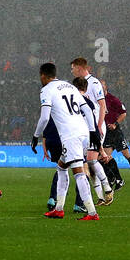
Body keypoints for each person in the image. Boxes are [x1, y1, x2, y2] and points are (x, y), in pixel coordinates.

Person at [34, 63, 99, 220]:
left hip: (71, 136)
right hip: (83, 133)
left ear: (43, 75)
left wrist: (36, 135)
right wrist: (93, 131)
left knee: (78, 173)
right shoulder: (70, 87)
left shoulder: (46, 90)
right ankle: (59, 208)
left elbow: (44, 117)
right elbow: (88, 110)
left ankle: (92, 212)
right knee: (62, 167)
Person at [72, 75, 112, 206]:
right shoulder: (79, 101)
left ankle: (107, 187)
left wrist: (99, 129)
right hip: (83, 133)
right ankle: (100, 197)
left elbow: (99, 111)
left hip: (92, 131)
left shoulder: (87, 102)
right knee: (88, 164)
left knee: (91, 160)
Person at [100, 90, 130, 185]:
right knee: (105, 158)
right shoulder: (98, 100)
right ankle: (113, 179)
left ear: (105, 88)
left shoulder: (113, 99)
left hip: (116, 133)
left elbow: (123, 113)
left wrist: (115, 124)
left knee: (126, 155)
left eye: (102, 88)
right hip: (106, 133)